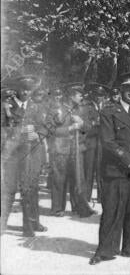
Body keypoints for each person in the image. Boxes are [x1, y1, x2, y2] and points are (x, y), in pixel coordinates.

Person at [90, 72, 130, 265]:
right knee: (112, 210)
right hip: (117, 170)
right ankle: (105, 251)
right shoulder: (109, 111)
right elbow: (108, 142)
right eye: (129, 88)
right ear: (122, 90)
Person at [0, 75, 48, 237]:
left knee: (31, 189)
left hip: (32, 155)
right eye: (23, 89)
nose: (26, 92)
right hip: (12, 155)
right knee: (9, 188)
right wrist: (20, 132)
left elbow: (45, 128)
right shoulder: (6, 106)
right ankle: (2, 224)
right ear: (17, 90)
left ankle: (30, 225)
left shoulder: (37, 107)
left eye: (29, 89)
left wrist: (37, 135)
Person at [47, 82, 97, 218]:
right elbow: (50, 130)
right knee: (59, 178)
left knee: (79, 179)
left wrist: (81, 124)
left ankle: (80, 207)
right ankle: (57, 208)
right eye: (79, 95)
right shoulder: (57, 108)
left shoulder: (81, 109)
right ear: (71, 95)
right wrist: (69, 128)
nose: (82, 97)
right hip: (60, 149)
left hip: (77, 149)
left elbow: (88, 128)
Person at [83, 83, 109, 203]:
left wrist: (97, 123)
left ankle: (101, 196)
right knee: (89, 169)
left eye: (101, 95)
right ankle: (86, 196)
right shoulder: (87, 106)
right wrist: (96, 124)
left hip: (103, 143)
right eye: (97, 95)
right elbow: (86, 125)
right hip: (91, 141)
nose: (99, 97)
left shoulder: (108, 106)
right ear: (93, 95)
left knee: (102, 169)